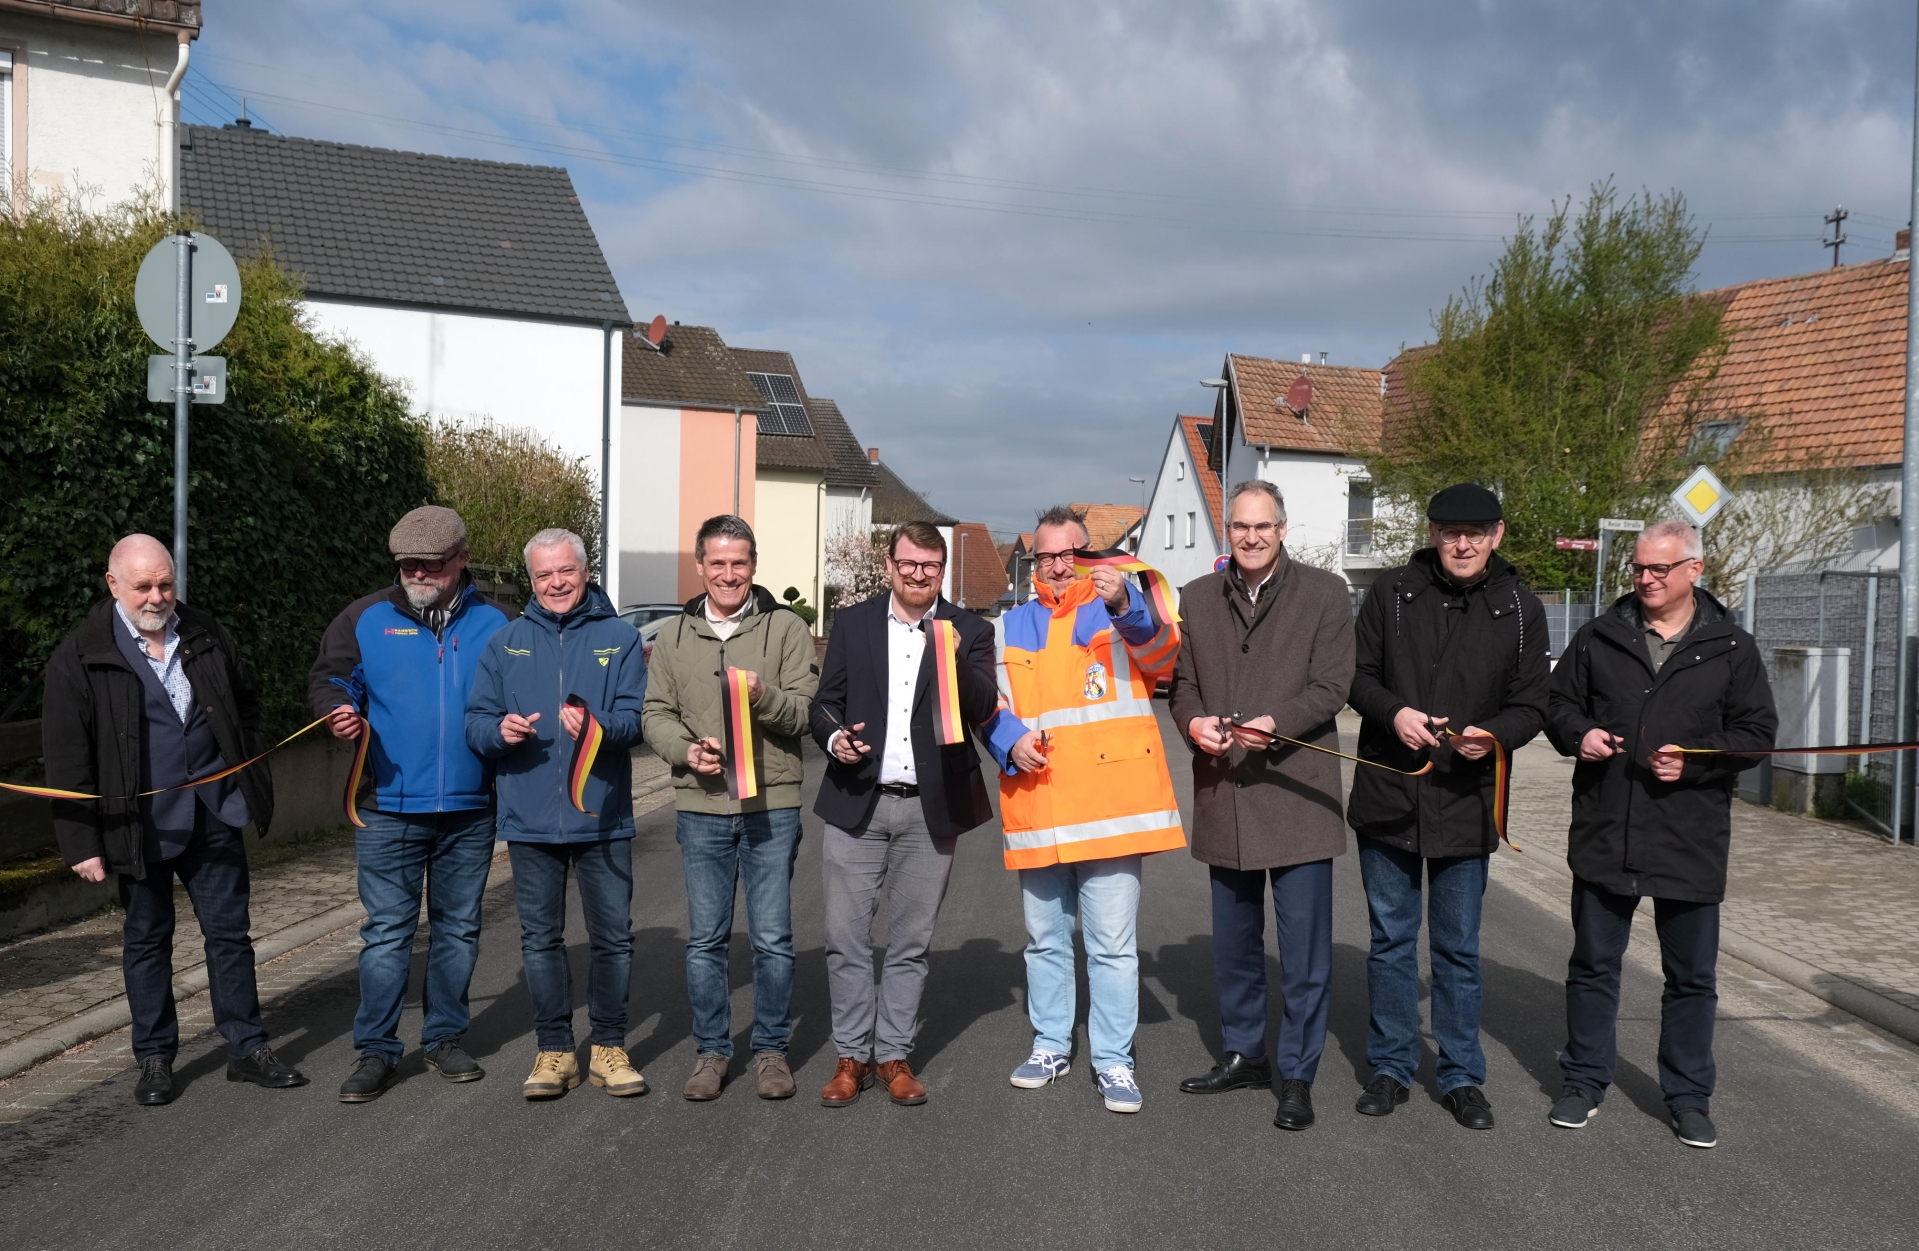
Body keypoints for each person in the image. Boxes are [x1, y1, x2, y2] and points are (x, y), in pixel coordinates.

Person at [42, 534, 306, 1105]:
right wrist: (80, 841)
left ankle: (246, 1048)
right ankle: (156, 1058)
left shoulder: (206, 633)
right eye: (144, 586)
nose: (158, 596)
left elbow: (246, 702)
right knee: (146, 940)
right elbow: (66, 755)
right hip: (137, 825)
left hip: (214, 811)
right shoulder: (82, 654)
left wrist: (245, 770)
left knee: (230, 936)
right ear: (113, 586)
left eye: (166, 583)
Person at [1544, 519, 1776, 1149]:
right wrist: (1579, 734)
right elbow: (1556, 704)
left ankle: (1688, 1097)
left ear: (1694, 571)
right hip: (1606, 827)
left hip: (1689, 835)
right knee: (1593, 965)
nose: (1645, 579)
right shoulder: (1599, 636)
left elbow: (1757, 734)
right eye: (1639, 569)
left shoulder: (1733, 647)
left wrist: (1697, 757)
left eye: (1659, 569)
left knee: (1693, 977)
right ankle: (1585, 1080)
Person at [1345, 484, 1549, 1130]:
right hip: (1387, 794)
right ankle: (1389, 1064)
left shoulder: (1519, 608)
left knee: (1457, 948)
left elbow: (1533, 702)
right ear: (1431, 533)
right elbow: (1354, 675)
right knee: (1390, 942)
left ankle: (1460, 1074)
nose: (1462, 543)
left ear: (1498, 534)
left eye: (1476, 531)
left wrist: (1491, 735)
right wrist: (1393, 711)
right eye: (1449, 531)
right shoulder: (1391, 594)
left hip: (1465, 798)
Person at [982, 504, 1183, 1114]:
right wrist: (1006, 741)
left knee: (1113, 948)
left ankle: (1113, 1060)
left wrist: (1124, 601)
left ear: (1090, 555)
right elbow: (988, 705)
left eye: (1068, 553)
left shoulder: (1121, 610)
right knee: (1043, 941)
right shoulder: (1009, 625)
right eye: (1045, 555)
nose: (1057, 565)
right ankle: (1050, 1045)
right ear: (1033, 560)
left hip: (1111, 810)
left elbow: (1163, 656)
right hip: (1040, 804)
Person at [309, 505, 512, 1102]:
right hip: (386, 807)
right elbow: (330, 677)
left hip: (471, 808)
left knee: (457, 929)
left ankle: (444, 1038)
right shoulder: (364, 617)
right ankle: (376, 1051)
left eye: (431, 564)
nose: (417, 574)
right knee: (389, 933)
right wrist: (336, 710)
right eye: (407, 565)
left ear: (461, 560)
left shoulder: (497, 623)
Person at [1168, 480, 1354, 1130]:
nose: (1251, 537)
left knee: (1303, 954)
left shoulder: (1325, 592)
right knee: (1235, 947)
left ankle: (1296, 1073)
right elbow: (1182, 686)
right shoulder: (1194, 597)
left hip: (1297, 794)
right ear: (1229, 530)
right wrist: (1192, 724)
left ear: (1281, 528)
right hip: (1226, 793)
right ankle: (1244, 1051)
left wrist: (1278, 722)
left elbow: (1333, 685)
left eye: (1263, 526)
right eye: (1241, 526)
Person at [808, 520, 998, 1108]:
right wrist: (836, 738)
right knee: (846, 938)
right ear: (890, 566)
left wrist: (959, 660)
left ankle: (892, 1055)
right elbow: (825, 704)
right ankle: (851, 1057)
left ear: (942, 572)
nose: (918, 574)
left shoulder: (968, 629)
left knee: (911, 942)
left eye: (930, 567)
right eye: (909, 564)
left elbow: (984, 707)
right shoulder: (854, 623)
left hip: (930, 810)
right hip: (856, 801)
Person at [641, 515, 819, 1102]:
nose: (728, 574)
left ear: (754, 565)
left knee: (771, 938)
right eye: (716, 563)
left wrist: (764, 698)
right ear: (700, 567)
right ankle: (712, 1052)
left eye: (738, 562)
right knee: (706, 941)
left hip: (772, 804)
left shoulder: (787, 630)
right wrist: (685, 752)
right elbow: (655, 714)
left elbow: (804, 714)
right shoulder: (672, 636)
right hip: (701, 806)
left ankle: (770, 1051)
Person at [466, 529, 649, 1100]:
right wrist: (499, 732)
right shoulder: (505, 642)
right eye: (544, 575)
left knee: (613, 938)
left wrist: (599, 727)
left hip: (602, 817)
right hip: (529, 817)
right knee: (540, 940)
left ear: (585, 570)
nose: (556, 583)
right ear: (531, 580)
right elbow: (476, 721)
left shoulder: (619, 638)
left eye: (565, 571)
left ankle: (610, 1048)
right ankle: (553, 1051)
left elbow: (636, 718)